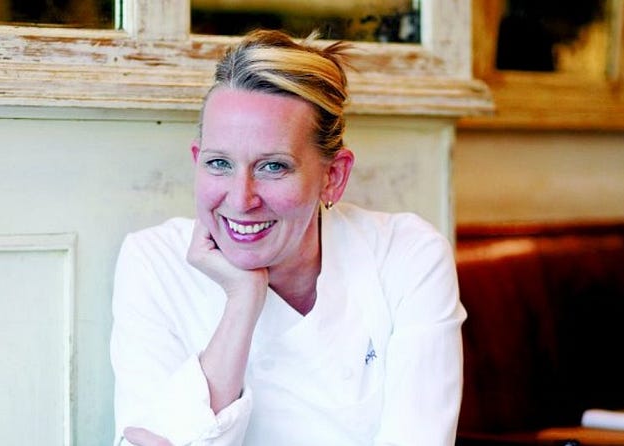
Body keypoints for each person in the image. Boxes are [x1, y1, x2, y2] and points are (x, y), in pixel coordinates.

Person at [110, 29, 467, 446]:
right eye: (219, 163)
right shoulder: (154, 262)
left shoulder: (407, 255)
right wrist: (242, 302)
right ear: (197, 161)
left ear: (333, 177)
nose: (241, 199)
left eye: (273, 167)